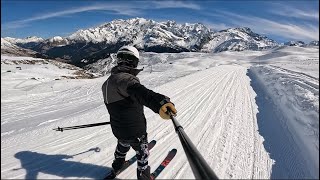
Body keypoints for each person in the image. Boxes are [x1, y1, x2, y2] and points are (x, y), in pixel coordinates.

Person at [102, 45, 177, 179]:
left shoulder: (107, 83)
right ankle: (143, 176)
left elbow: (120, 105)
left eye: (129, 59)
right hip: (136, 131)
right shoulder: (126, 79)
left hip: (118, 128)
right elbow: (143, 94)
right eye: (125, 59)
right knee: (143, 153)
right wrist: (161, 103)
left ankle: (117, 166)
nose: (127, 62)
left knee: (122, 145)